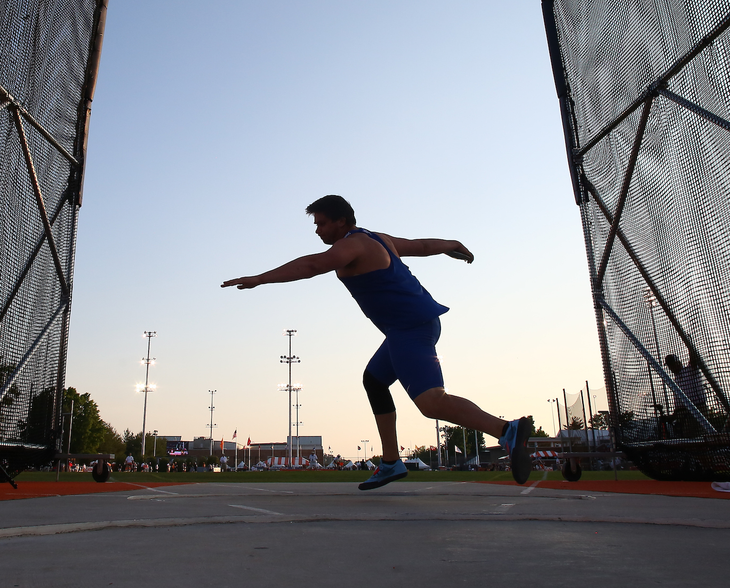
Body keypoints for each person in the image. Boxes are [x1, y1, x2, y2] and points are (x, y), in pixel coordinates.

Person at [222, 195, 533, 489]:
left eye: (321, 223)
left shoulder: (353, 245)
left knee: (431, 402)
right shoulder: (376, 237)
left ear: (341, 221)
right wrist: (449, 244)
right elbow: (421, 245)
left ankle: (506, 430)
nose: (317, 230)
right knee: (374, 380)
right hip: (410, 326)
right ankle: (390, 461)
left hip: (410, 328)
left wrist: (259, 279)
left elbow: (312, 266)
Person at [665, 352, 706, 437]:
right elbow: (679, 403)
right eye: (669, 366)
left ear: (678, 362)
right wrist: (673, 416)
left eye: (672, 365)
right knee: (682, 435)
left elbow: (694, 358)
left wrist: (689, 343)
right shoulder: (676, 380)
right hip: (682, 412)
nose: (671, 368)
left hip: (696, 408)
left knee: (690, 435)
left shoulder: (690, 370)